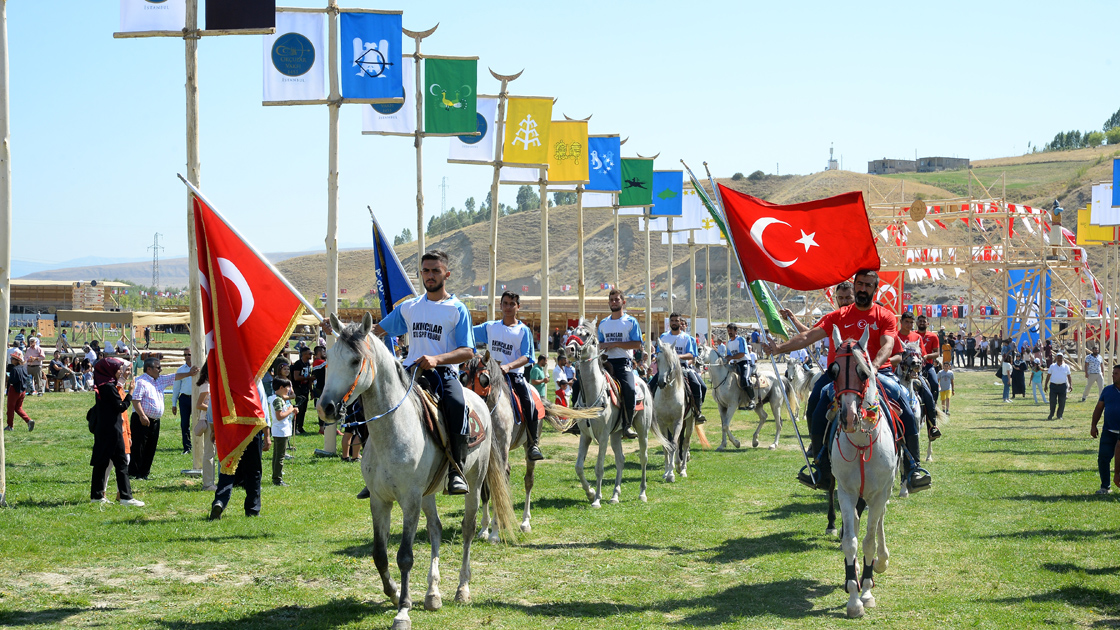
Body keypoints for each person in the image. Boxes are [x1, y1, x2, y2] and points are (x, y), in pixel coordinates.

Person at [767, 271, 926, 491]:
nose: (863, 289)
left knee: (905, 406)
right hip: (842, 376)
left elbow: (888, 345)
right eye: (859, 284)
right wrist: (779, 349)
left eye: (868, 285)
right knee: (817, 401)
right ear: (855, 286)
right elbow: (808, 336)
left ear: (874, 289)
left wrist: (873, 367)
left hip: (878, 373)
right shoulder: (837, 316)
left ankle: (912, 468)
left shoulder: (885, 315)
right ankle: (821, 467)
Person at [373, 249, 475, 495]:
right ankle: (376, 469)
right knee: (376, 403)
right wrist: (342, 328)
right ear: (421, 273)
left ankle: (456, 471)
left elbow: (468, 351)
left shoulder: (457, 309)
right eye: (426, 271)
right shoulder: (409, 307)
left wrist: (437, 358)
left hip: (443, 374)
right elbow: (377, 331)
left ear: (446, 274)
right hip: (410, 373)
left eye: (435, 271)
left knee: (457, 405)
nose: (430, 276)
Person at [473, 291, 543, 460]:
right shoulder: (490, 327)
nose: (508, 307)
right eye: (505, 303)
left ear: (518, 307)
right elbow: (467, 334)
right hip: (489, 375)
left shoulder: (523, 330)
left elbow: (527, 356)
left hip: (513, 376)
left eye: (512, 304)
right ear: (500, 306)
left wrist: (508, 366)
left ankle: (533, 443)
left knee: (529, 402)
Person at [128, 355, 198, 480]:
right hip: (141, 419)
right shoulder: (141, 381)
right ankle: (134, 473)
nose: (160, 370)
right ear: (149, 369)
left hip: (154, 421)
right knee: (139, 447)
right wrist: (142, 416)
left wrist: (189, 373)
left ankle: (144, 473)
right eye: (158, 368)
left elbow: (174, 377)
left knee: (151, 447)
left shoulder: (158, 380)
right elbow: (135, 400)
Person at [90, 357, 143, 506]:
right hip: (113, 431)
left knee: (101, 462)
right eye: (117, 368)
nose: (119, 371)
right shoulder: (107, 387)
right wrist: (130, 393)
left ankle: (97, 496)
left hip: (104, 430)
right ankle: (126, 497)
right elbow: (120, 406)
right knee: (121, 463)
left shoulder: (103, 384)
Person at [596, 289, 645, 439]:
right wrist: (601, 348)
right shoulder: (603, 323)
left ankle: (627, 425)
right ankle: (578, 422)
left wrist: (615, 344)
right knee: (581, 383)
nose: (614, 302)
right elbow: (599, 344)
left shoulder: (631, 321)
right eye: (611, 300)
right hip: (604, 362)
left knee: (629, 389)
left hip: (623, 363)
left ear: (623, 302)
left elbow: (637, 344)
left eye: (617, 299)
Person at [650, 312, 707, 424]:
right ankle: (651, 412)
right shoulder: (664, 337)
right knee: (650, 386)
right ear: (669, 323)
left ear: (681, 323)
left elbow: (691, 355)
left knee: (700, 386)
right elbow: (659, 353)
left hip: (682, 367)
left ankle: (697, 411)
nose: (674, 322)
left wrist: (677, 356)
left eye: (677, 320)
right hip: (666, 368)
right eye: (672, 320)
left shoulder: (686, 338)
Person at [210, 414, 268, 520]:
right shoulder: (255, 395)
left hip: (229, 428)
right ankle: (252, 509)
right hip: (251, 429)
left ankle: (220, 501)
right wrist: (267, 435)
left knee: (227, 468)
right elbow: (261, 410)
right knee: (253, 470)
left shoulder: (222, 395)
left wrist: (214, 430)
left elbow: (213, 407)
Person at [1090, 364, 1120, 494]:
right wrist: (1093, 425)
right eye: (1113, 373)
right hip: (1109, 431)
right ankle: (1105, 487)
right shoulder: (1107, 390)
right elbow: (1099, 408)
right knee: (1103, 458)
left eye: (1116, 373)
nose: (1113, 375)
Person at [268, 377, 296, 486]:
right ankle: (277, 479)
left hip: (281, 430)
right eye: (287, 387)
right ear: (281, 387)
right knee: (280, 456)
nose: (289, 389)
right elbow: (279, 416)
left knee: (277, 455)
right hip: (280, 430)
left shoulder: (279, 399)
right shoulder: (277, 400)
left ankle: (276, 475)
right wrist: (290, 410)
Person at [193, 363, 217, 491]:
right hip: (208, 420)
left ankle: (211, 481)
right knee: (209, 452)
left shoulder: (209, 383)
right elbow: (199, 404)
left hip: (211, 420)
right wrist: (215, 409)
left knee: (212, 452)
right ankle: (208, 483)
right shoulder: (206, 385)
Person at [720, 323, 754, 407]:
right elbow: (728, 355)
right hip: (734, 364)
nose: (729, 332)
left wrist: (731, 357)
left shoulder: (741, 339)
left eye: (731, 330)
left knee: (745, 379)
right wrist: (723, 360)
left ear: (736, 331)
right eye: (728, 331)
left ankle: (752, 400)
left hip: (744, 363)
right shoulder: (729, 342)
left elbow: (742, 354)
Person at [171, 348, 194, 456]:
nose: (187, 356)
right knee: (185, 424)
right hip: (184, 398)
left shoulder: (199, 368)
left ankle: (200, 445)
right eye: (185, 355)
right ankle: (187, 447)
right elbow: (176, 388)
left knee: (200, 422)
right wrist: (174, 404)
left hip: (197, 398)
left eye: (189, 354)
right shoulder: (181, 370)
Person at [5, 349, 33, 431]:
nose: (11, 360)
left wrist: (8, 378)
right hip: (23, 391)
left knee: (10, 409)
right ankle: (29, 420)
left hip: (14, 391)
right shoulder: (23, 369)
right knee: (18, 408)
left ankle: (10, 426)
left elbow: (12, 381)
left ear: (17, 360)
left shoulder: (14, 369)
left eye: (13, 358)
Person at [289, 347, 313, 435]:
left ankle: (300, 427)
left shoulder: (308, 364)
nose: (311, 355)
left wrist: (311, 390)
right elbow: (296, 377)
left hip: (305, 388)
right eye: (309, 353)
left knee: (304, 409)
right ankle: (294, 427)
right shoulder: (298, 364)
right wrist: (308, 378)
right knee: (299, 407)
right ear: (304, 354)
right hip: (298, 388)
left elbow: (309, 378)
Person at [1045, 352, 1073, 421]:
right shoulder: (1052, 366)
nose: (1060, 359)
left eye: (1061, 357)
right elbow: (1048, 376)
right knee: (1052, 401)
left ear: (1063, 358)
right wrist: (1045, 385)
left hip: (1062, 386)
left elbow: (1069, 376)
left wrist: (1070, 385)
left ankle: (1059, 415)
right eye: (1058, 357)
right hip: (1053, 386)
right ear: (1056, 358)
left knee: (1062, 401)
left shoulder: (1066, 366)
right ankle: (1051, 414)